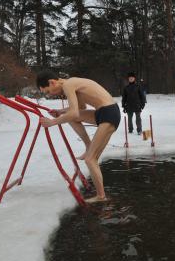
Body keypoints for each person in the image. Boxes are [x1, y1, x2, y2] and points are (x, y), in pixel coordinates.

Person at [37, 70, 121, 204]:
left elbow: (75, 113)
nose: (49, 95)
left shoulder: (68, 84)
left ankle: (101, 196)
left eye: (47, 91)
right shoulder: (71, 83)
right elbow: (80, 108)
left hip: (108, 113)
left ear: (52, 82)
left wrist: (52, 122)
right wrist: (60, 112)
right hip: (103, 112)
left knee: (90, 160)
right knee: (69, 118)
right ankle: (88, 145)